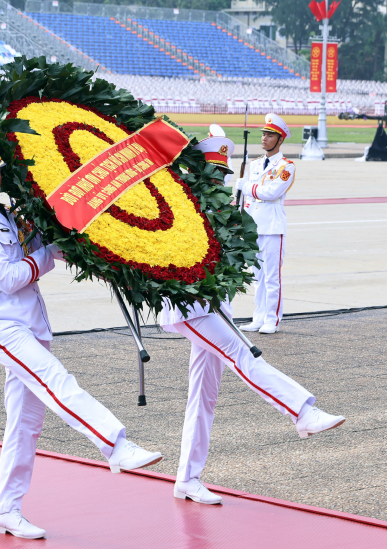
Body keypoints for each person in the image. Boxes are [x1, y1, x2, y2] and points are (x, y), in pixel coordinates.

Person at [0, 131, 163, 540]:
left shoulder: (5, 213)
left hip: (30, 323)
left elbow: (44, 246)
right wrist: (47, 253)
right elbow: (9, 278)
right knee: (57, 380)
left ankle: (6, 511)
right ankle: (115, 445)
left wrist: (85, 246)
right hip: (3, 326)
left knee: (24, 426)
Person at [159, 135, 345, 506]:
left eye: (222, 174)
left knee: (204, 397)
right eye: (213, 173)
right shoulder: (181, 206)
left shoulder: (215, 206)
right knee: (243, 356)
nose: (219, 180)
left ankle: (187, 479)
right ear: (196, 172)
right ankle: (301, 412)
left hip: (215, 308)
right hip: (189, 308)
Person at [235, 113, 295, 334]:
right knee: (258, 276)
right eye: (263, 134)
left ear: (280, 140)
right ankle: (259, 317)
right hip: (254, 226)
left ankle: (272, 319)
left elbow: (271, 192)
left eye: (270, 135)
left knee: (271, 277)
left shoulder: (286, 167)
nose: (264, 138)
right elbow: (248, 199)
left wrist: (247, 187)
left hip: (272, 227)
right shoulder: (255, 164)